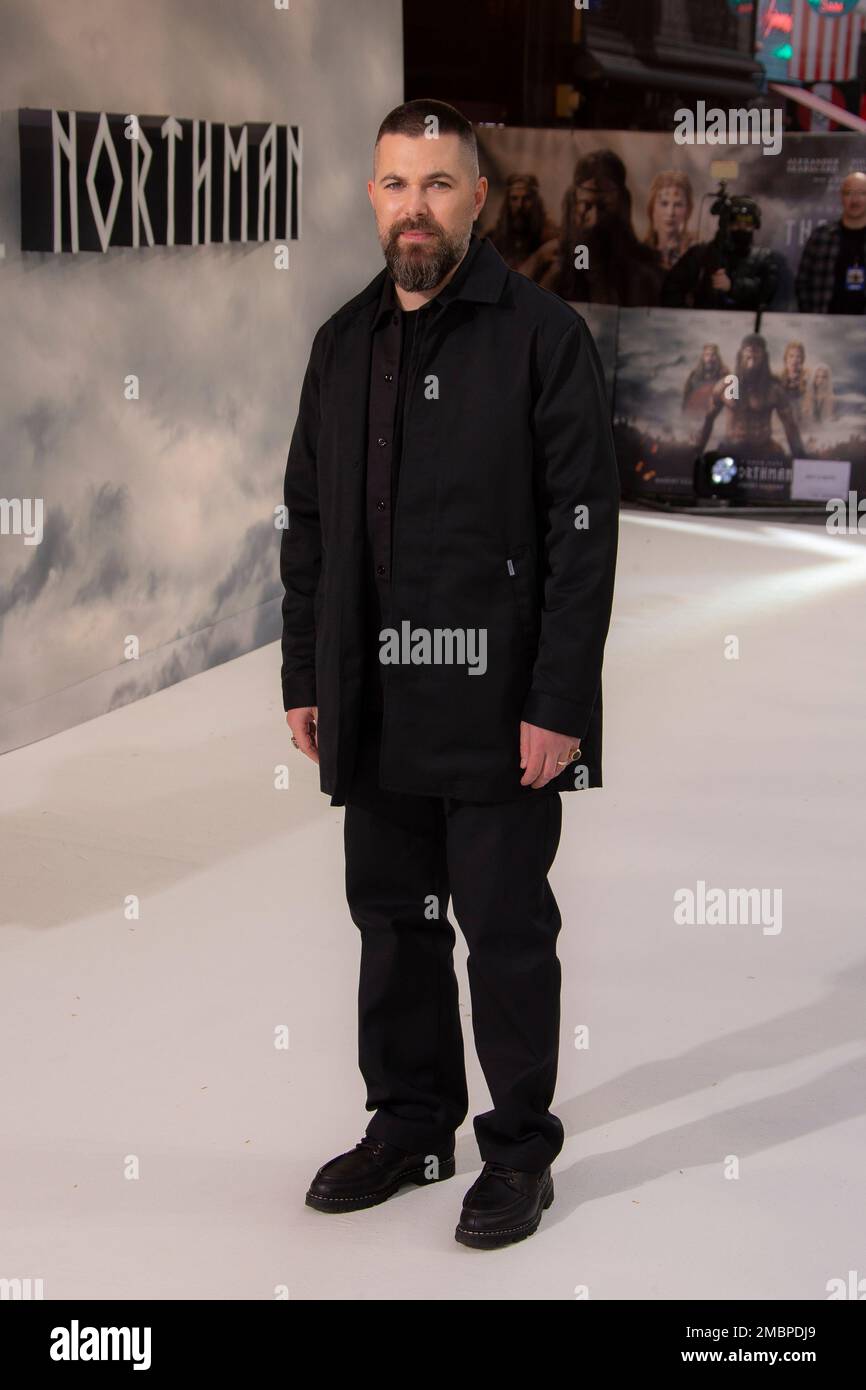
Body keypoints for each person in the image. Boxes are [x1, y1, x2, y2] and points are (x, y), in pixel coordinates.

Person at [279, 99, 620, 1250]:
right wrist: (304, 675)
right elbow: (309, 525)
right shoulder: (341, 344)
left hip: (498, 708)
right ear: (369, 197)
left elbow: (582, 535)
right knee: (392, 920)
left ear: (476, 197)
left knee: (503, 927)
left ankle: (516, 1147)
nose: (413, 206)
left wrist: (557, 703)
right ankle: (413, 1122)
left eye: (437, 184)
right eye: (393, 184)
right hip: (373, 702)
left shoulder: (540, 336)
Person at [521, 149, 663, 305]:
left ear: (621, 206)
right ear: (573, 204)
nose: (595, 219)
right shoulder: (549, 259)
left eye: (604, 207)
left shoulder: (643, 270)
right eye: (586, 206)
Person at [694, 333, 805, 460]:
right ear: (740, 356)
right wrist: (698, 450)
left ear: (764, 357)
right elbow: (708, 419)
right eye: (748, 355)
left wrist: (800, 456)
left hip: (764, 449)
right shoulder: (726, 385)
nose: (751, 359)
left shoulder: (774, 389)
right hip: (732, 449)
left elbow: (790, 426)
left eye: (756, 354)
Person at [661, 195, 780, 311]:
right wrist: (687, 318)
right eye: (736, 223)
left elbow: (766, 293)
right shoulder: (701, 253)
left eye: (748, 225)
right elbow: (671, 289)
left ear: (755, 226)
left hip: (745, 326)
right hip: (704, 324)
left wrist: (732, 286)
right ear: (726, 224)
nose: (741, 228)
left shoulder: (764, 257)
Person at [795, 171, 866, 315]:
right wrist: (812, 317)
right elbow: (802, 282)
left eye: (862, 193)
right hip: (825, 325)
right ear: (841, 197)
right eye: (849, 193)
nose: (855, 200)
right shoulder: (821, 236)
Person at [483, 171, 559, 273]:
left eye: (526, 199)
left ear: (536, 202)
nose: (520, 205)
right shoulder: (493, 238)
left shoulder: (550, 238)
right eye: (514, 199)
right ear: (508, 202)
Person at [644, 170, 696, 272]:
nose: (670, 213)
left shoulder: (696, 254)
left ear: (688, 210)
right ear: (652, 209)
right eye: (664, 203)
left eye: (678, 205)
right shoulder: (640, 255)